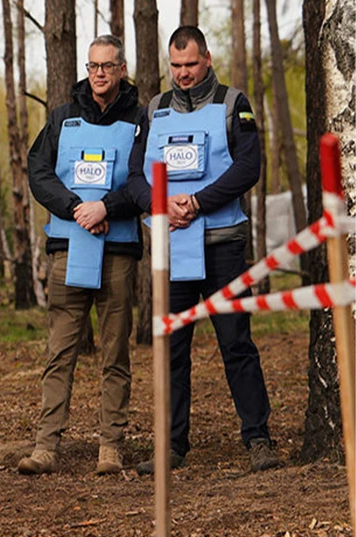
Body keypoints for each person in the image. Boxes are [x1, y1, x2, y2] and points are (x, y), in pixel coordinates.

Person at [127, 26, 279, 474]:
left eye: (190, 64)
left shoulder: (235, 105)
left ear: (207, 59)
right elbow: (135, 177)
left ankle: (259, 438)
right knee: (172, 349)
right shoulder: (153, 111)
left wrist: (197, 202)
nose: (183, 74)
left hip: (222, 246)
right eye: (175, 66)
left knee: (236, 343)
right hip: (171, 250)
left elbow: (249, 167)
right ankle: (172, 446)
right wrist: (161, 204)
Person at [18, 35, 142, 476]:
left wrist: (108, 207)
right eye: (92, 66)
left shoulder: (140, 120)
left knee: (115, 353)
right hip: (68, 247)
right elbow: (38, 171)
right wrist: (76, 209)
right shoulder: (61, 118)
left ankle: (111, 446)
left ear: (121, 69)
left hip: (119, 251)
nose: (99, 74)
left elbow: (145, 180)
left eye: (107, 66)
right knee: (60, 352)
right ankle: (46, 446)